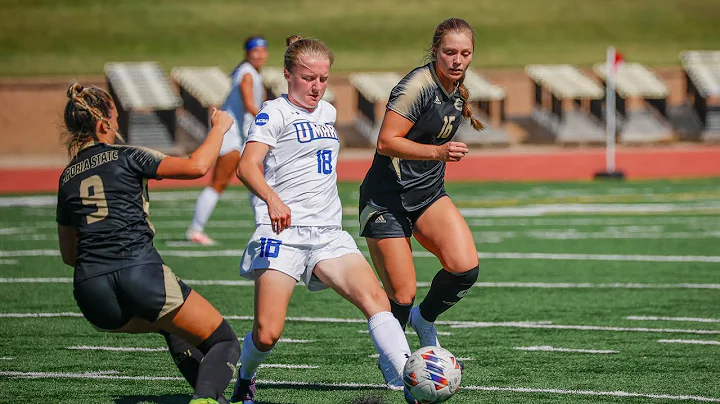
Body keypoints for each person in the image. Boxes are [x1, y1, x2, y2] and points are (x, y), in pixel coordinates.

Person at [229, 35, 413, 404]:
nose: (316, 87)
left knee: (376, 298)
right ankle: (245, 377)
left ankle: (412, 379)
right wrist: (272, 199)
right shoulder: (273, 113)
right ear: (287, 75)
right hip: (282, 232)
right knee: (267, 334)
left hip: (328, 234)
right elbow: (246, 166)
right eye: (308, 78)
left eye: (323, 78)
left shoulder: (327, 112)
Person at [56, 83, 239, 404]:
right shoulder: (127, 155)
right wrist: (220, 128)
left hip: (91, 293)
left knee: (173, 327)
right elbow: (197, 166)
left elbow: (69, 255)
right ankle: (207, 397)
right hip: (139, 272)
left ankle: (209, 396)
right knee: (224, 341)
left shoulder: (67, 176)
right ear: (104, 124)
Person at [358, 18, 484, 350]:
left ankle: (424, 319)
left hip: (428, 196)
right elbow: (385, 142)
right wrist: (438, 152)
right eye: (450, 52)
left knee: (464, 269)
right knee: (401, 294)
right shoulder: (416, 85)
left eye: (465, 53)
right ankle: (393, 359)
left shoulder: (456, 88)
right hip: (387, 200)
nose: (457, 60)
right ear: (435, 51)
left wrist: (435, 156)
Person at [187, 35, 269, 245]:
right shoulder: (247, 74)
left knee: (256, 182)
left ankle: (263, 226)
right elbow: (250, 104)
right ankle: (196, 229)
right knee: (220, 183)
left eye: (262, 50)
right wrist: (271, 118)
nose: (259, 54)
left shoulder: (250, 73)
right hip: (233, 136)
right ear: (247, 53)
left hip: (240, 135)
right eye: (255, 50)